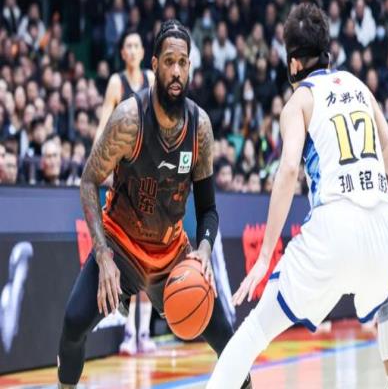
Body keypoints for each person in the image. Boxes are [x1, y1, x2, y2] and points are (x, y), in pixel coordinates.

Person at [207, 3, 388, 389]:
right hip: (382, 231)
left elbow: (288, 171)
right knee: (387, 296)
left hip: (332, 232)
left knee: (254, 330)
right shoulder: (361, 88)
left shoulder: (299, 101)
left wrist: (265, 256)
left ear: (293, 63)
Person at [57, 20, 251, 389]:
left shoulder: (200, 128)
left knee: (229, 343)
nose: (176, 71)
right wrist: (103, 255)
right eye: (169, 62)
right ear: (155, 64)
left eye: (183, 62)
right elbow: (89, 181)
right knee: (72, 324)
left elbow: (208, 209)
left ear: (189, 66)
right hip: (120, 248)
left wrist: (204, 249)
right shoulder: (129, 119)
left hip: (170, 256)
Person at [93, 30, 156, 355]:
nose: (132, 50)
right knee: (129, 258)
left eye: (136, 45)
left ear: (143, 52)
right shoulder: (116, 83)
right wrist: (96, 164)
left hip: (150, 175)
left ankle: (144, 333)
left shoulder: (151, 79)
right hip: (125, 174)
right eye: (127, 46)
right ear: (122, 53)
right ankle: (130, 332)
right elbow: (104, 126)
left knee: (149, 259)